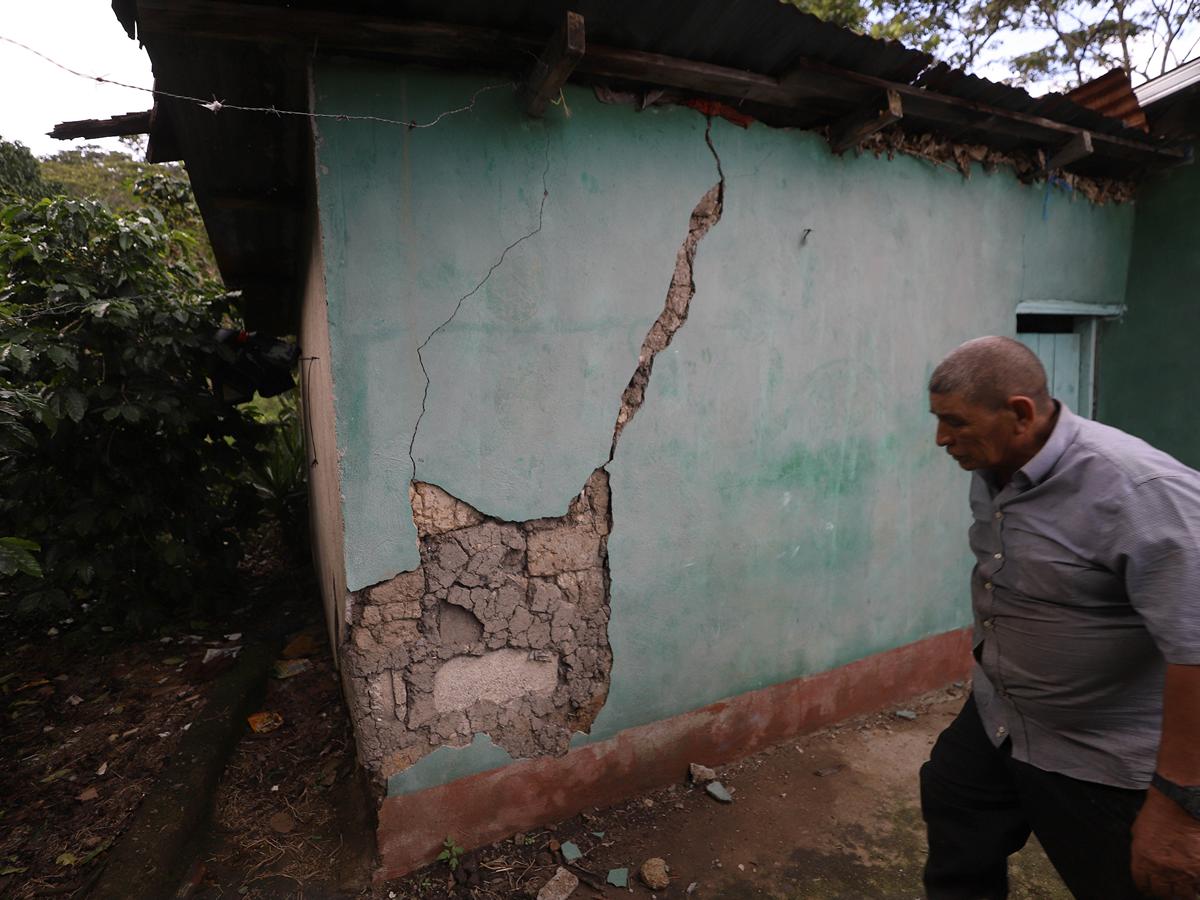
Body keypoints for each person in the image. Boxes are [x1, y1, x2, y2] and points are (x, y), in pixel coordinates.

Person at [922, 336, 1200, 900]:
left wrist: (1180, 803)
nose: (942, 438)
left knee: (1133, 881)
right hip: (999, 714)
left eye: (956, 422)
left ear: (1020, 414)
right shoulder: (994, 464)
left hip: (1098, 751)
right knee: (956, 811)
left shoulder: (1145, 492)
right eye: (938, 420)